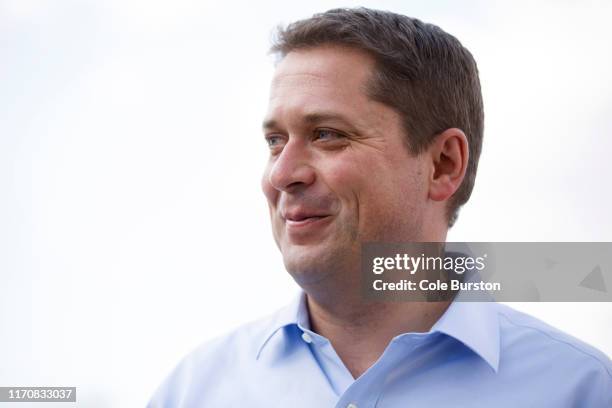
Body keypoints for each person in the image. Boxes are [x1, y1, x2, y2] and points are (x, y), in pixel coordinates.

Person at [148, 8, 611, 407]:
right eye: (275, 141)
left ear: (443, 164)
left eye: (327, 134)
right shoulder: (192, 391)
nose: (281, 174)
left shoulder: (581, 390)